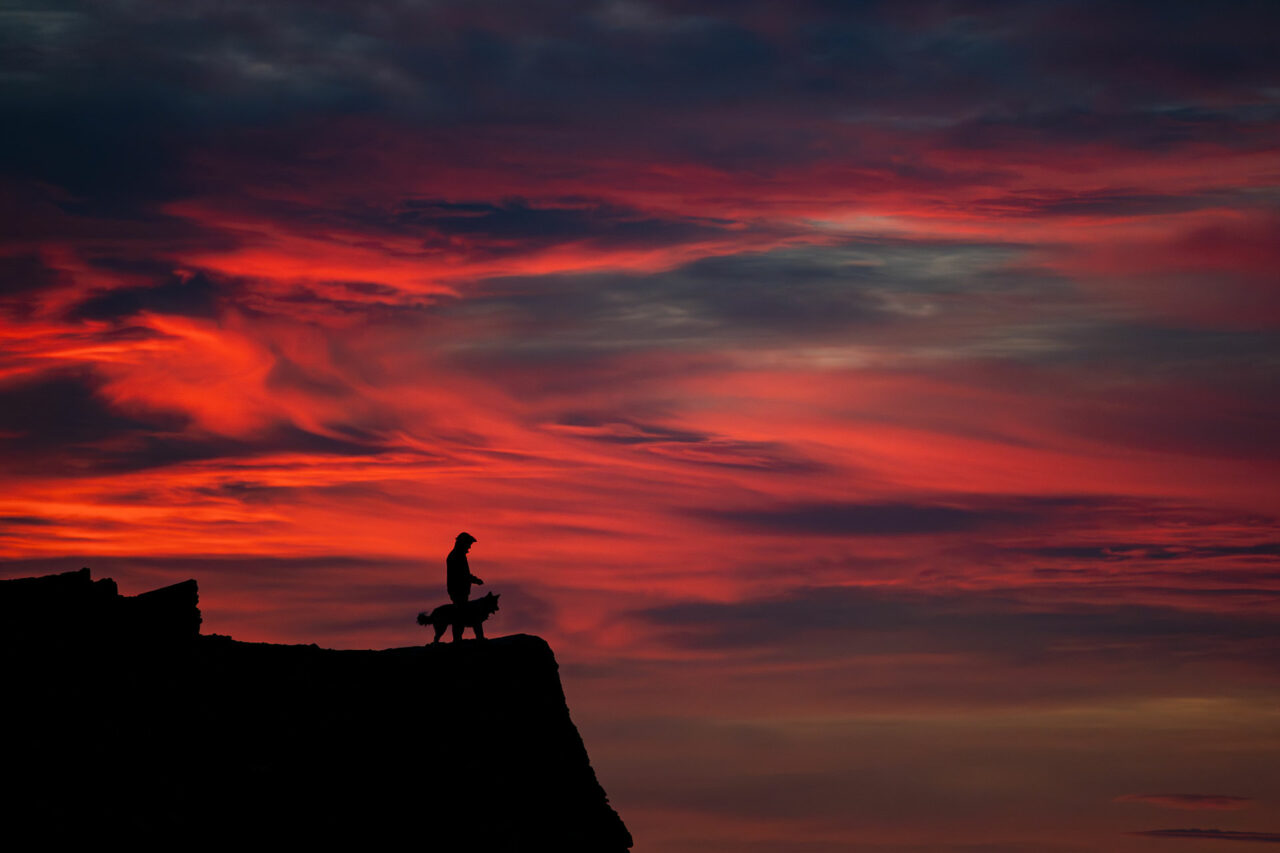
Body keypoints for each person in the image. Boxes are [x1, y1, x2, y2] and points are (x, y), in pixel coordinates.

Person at [446, 531, 484, 607]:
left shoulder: (457, 555)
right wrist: (475, 580)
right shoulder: (457, 556)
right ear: (463, 543)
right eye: (469, 544)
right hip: (458, 591)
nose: (469, 547)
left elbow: (463, 574)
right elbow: (462, 575)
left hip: (459, 591)